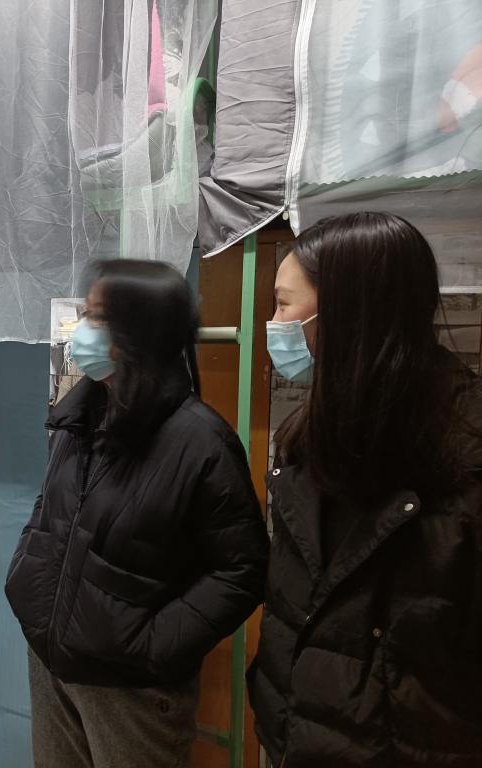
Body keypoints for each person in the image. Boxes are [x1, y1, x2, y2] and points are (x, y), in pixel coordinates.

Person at [5, 259, 269, 768]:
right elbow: (51, 507)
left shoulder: (201, 441)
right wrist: (26, 574)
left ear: (144, 332)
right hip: (53, 665)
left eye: (99, 318)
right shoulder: (79, 415)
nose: (83, 329)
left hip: (132, 691)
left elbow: (243, 569)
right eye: (86, 313)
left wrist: (153, 646)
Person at [248, 212, 482, 767]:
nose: (273, 325)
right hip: (293, 740)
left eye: (283, 304)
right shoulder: (306, 439)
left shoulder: (466, 461)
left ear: (349, 314)